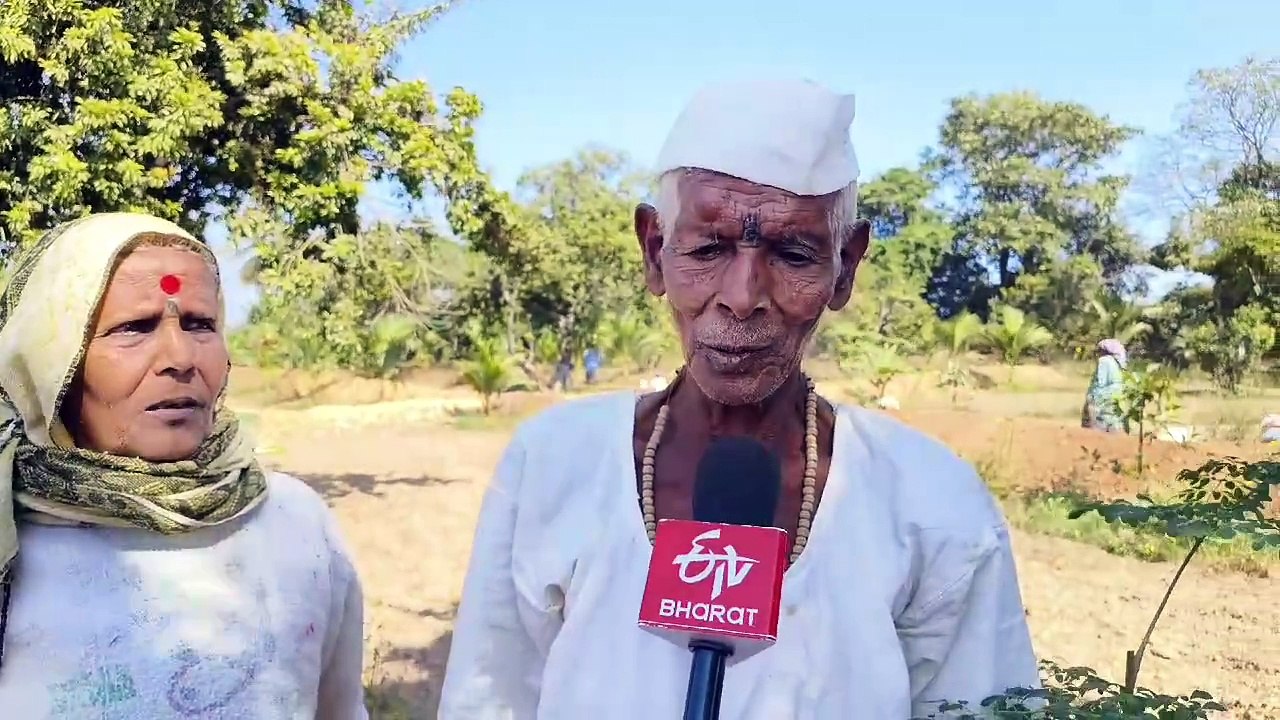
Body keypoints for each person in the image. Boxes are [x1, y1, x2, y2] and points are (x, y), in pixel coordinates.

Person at [440, 79, 1039, 719]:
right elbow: (490, 698)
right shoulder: (552, 462)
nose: (743, 295)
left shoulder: (932, 501)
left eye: (792, 253)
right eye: (708, 248)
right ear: (653, 250)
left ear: (845, 266)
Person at [0, 213, 368, 719]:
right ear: (50, 362)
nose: (180, 356)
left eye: (200, 324)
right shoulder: (10, 540)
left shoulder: (296, 523)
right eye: (134, 327)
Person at [1082, 338, 1128, 433]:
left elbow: (1101, 382)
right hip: (1116, 398)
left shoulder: (1104, 361)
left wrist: (1091, 398)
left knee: (1095, 429)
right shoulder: (1118, 363)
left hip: (1101, 398)